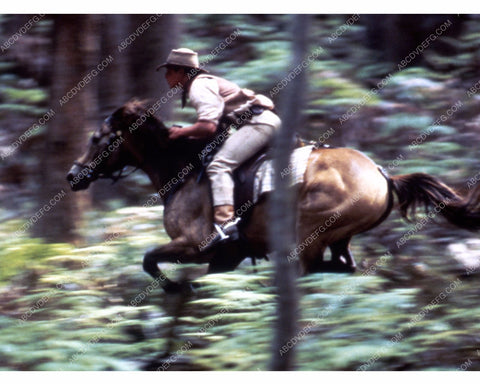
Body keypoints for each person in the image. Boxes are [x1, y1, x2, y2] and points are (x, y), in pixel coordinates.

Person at [157, 48, 281, 243]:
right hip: (258, 122)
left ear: (181, 72)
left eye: (169, 71)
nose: (165, 76)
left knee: (219, 165)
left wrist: (181, 132)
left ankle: (225, 225)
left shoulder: (198, 87)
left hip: (259, 124)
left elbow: (208, 126)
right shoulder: (204, 84)